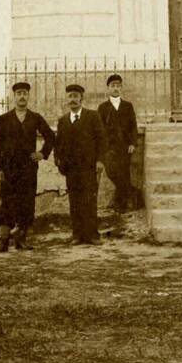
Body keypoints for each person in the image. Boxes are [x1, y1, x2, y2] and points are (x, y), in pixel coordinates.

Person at [0, 80, 55, 253]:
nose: (22, 97)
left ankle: (21, 239)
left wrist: (42, 153)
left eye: (24, 94)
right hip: (9, 169)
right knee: (6, 204)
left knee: (26, 203)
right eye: (19, 93)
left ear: (28, 96)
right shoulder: (4, 119)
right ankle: (2, 241)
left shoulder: (35, 118)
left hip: (28, 168)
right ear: (14, 96)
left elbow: (50, 136)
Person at [54, 83, 107, 245]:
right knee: (74, 201)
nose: (73, 100)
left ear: (81, 98)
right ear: (67, 99)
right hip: (71, 169)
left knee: (89, 200)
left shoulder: (92, 116)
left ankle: (92, 235)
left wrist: (99, 160)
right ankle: (77, 235)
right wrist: (58, 161)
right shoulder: (63, 121)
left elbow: (102, 140)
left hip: (89, 167)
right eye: (70, 96)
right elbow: (59, 143)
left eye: (76, 96)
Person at [97, 74, 139, 213]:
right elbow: (99, 128)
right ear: (108, 88)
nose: (115, 88)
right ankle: (132, 192)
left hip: (125, 147)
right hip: (109, 148)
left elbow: (133, 125)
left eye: (118, 86)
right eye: (113, 86)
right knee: (111, 172)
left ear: (121, 88)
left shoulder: (127, 106)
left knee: (124, 173)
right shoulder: (102, 107)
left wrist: (133, 143)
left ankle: (121, 205)